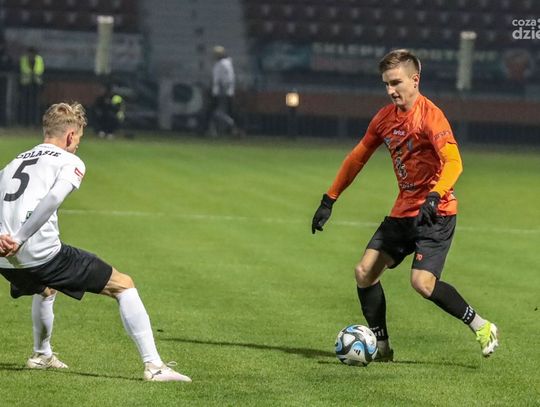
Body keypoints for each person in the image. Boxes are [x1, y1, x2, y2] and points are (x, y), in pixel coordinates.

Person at [311, 49, 499, 361]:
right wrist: (329, 199)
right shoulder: (384, 119)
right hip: (403, 211)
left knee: (422, 283)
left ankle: (482, 326)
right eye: (386, 84)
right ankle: (382, 348)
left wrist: (435, 194)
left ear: (415, 80)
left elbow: (454, 161)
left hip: (436, 213)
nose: (390, 90)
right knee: (364, 272)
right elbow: (357, 158)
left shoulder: (431, 116)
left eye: (396, 82)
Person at [0, 102, 190, 382]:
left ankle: (41, 355)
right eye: (79, 138)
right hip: (39, 253)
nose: (77, 145)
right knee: (123, 285)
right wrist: (18, 238)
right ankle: (155, 367)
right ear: (70, 136)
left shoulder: (14, 162)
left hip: (5, 260)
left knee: (46, 288)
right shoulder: (69, 161)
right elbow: (53, 199)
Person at [203, 45, 240, 136]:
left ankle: (231, 126)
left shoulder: (223, 64)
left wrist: (220, 89)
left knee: (214, 111)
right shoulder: (224, 64)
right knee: (220, 111)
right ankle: (213, 130)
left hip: (221, 92)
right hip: (222, 91)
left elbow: (225, 79)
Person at [18, 46, 44, 126]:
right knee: (24, 104)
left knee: (35, 104)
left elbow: (40, 70)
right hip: (25, 84)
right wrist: (32, 74)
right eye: (30, 53)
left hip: (36, 84)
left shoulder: (39, 59)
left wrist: (33, 74)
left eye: (33, 53)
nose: (31, 55)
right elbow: (24, 69)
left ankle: (34, 122)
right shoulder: (24, 59)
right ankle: (24, 122)